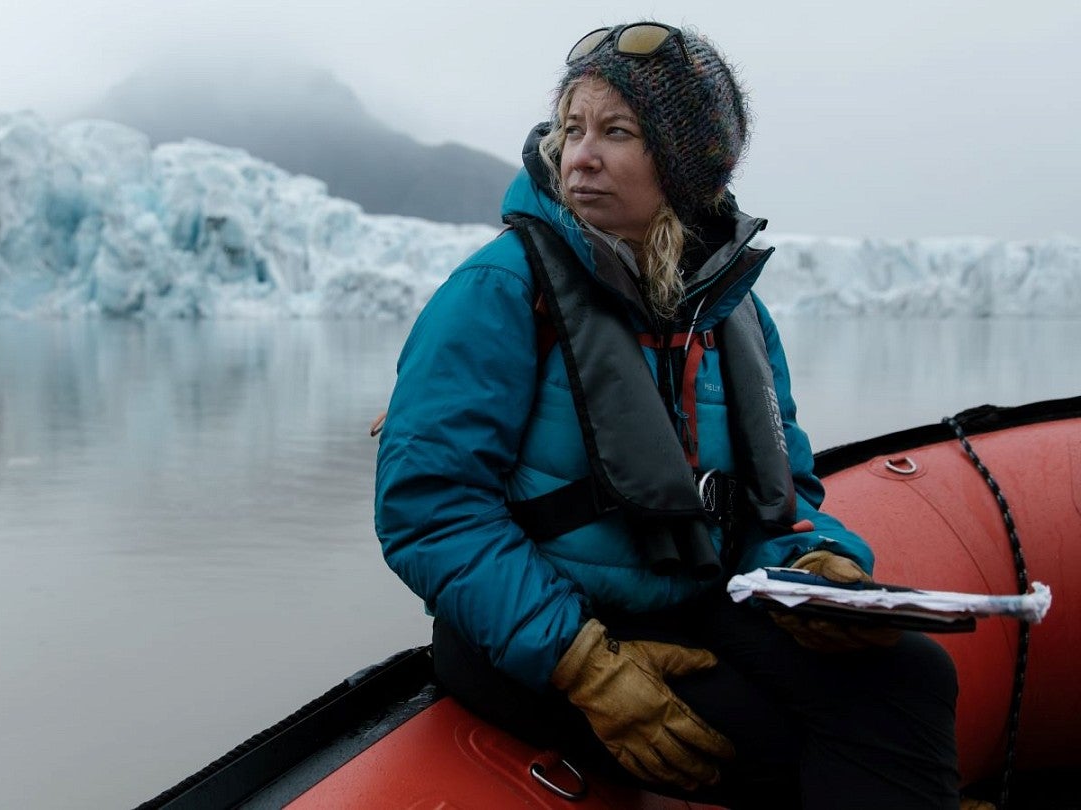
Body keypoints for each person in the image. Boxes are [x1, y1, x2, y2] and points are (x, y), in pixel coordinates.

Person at [374, 22, 962, 809]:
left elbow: (781, 493)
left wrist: (820, 564)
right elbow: (429, 508)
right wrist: (584, 662)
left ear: (688, 167)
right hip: (532, 631)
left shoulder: (731, 313)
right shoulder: (500, 290)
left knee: (912, 673)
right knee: (787, 743)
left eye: (616, 132)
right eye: (571, 129)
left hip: (688, 599)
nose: (579, 155)